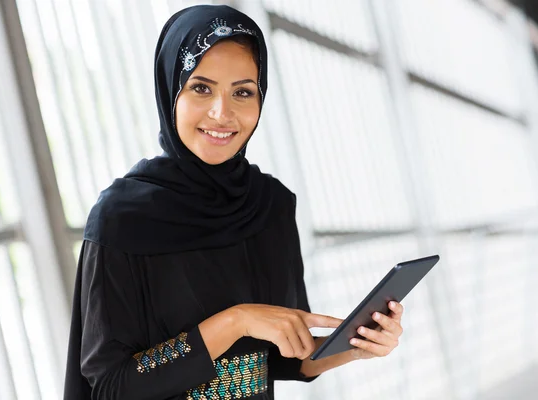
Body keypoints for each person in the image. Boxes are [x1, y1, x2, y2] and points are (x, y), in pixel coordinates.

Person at [63, 4, 404, 400]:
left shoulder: (270, 206)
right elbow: (109, 385)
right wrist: (236, 321)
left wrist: (355, 345)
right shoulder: (121, 220)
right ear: (170, 90)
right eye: (201, 88)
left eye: (242, 92)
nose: (222, 113)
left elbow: (281, 358)